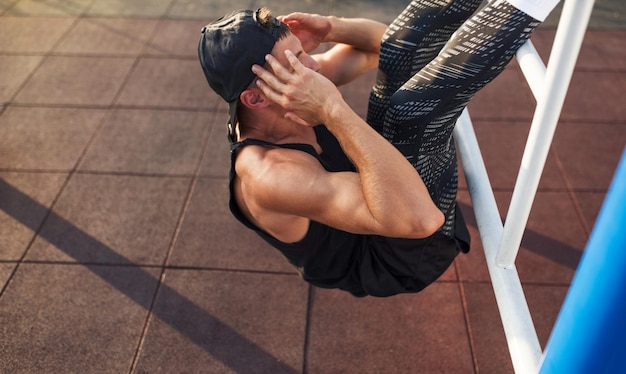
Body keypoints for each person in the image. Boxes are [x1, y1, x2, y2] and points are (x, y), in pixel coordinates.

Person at [198, 0, 559, 297]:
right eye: (294, 60)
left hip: (386, 198)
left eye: (300, 52)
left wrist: (331, 28)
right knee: (410, 114)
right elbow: (420, 220)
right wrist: (332, 110)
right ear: (254, 97)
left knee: (406, 45)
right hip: (394, 255)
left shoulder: (285, 90)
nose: (310, 65)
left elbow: (387, 46)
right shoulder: (270, 175)